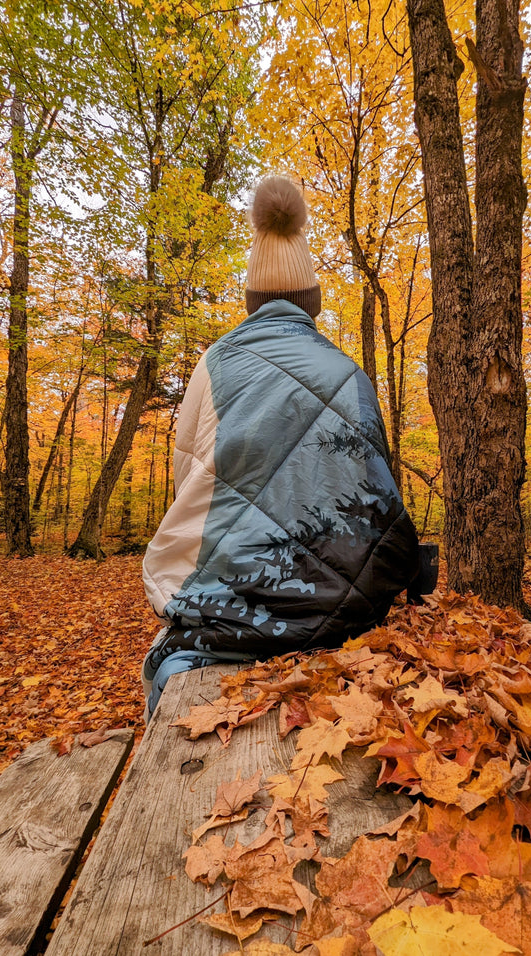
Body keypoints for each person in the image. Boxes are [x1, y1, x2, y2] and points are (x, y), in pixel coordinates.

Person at [141, 176, 420, 720]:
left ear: (252, 301)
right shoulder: (350, 375)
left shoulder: (215, 363)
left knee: (165, 664)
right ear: (311, 302)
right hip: (347, 613)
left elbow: (190, 483)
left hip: (230, 606)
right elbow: (377, 502)